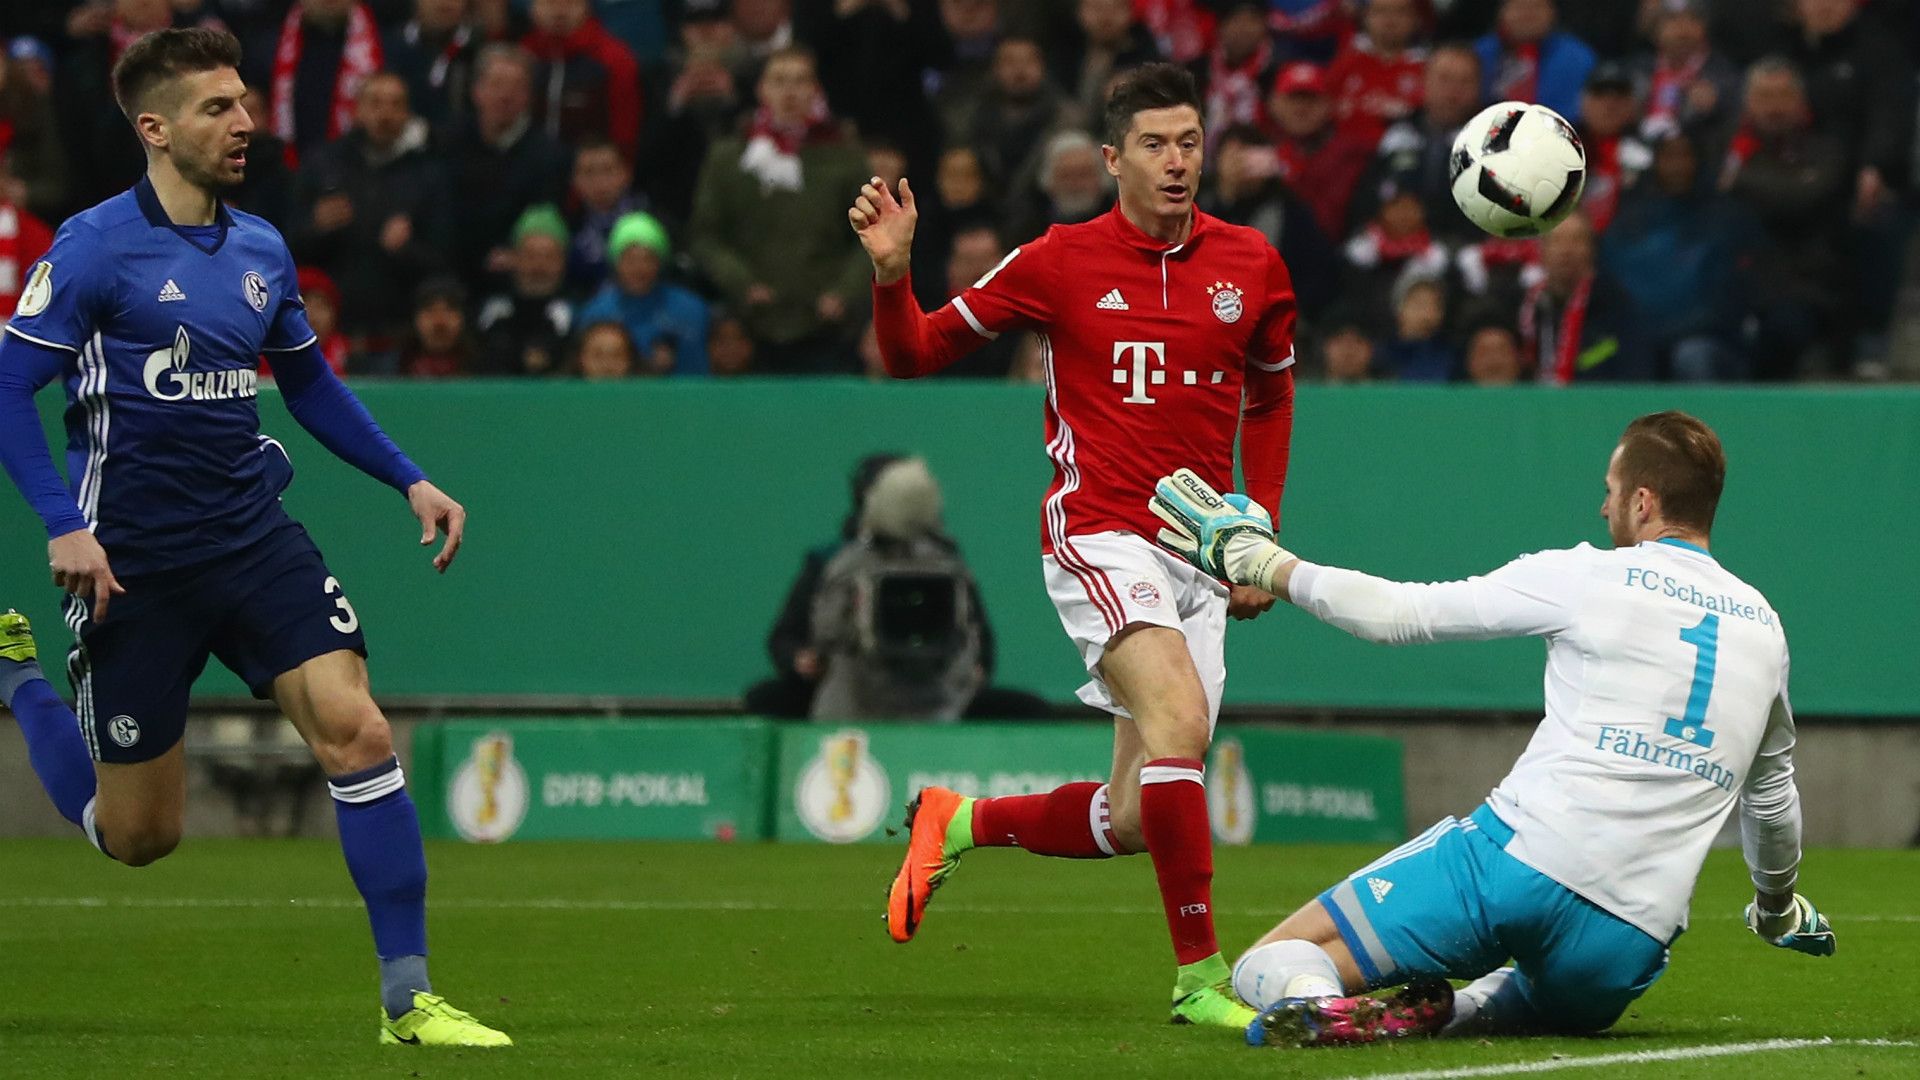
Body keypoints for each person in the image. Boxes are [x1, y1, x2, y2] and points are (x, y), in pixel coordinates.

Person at [0, 29, 506, 1046]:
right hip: (131, 564)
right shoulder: (95, 247)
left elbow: (308, 385)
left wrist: (409, 478)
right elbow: (9, 387)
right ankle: (18, 684)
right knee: (141, 837)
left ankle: (408, 1000)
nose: (245, 123)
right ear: (154, 128)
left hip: (250, 536)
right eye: (216, 108)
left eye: (243, 101)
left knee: (358, 729)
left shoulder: (263, 248)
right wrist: (65, 527)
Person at [1147, 411, 1831, 1046]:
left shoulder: (1588, 574)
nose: (1603, 507)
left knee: (1270, 962)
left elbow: (1399, 615)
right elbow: (1771, 801)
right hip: (1627, 936)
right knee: (1524, 1002)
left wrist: (1264, 564)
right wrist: (1776, 910)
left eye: (1611, 490)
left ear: (1643, 502)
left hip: (1517, 864)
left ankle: (1322, 1006)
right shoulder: (1764, 628)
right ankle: (1452, 1011)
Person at [850, 62, 1298, 1028]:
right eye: (1154, 144)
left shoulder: (1252, 265)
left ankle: (958, 821)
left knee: (1139, 814)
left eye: (1189, 142)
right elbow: (914, 353)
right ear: (1111, 158)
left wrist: (1255, 525)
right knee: (1181, 726)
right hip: (1099, 533)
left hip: (1202, 553)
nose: (1176, 162)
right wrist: (893, 275)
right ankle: (1201, 982)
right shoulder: (1056, 260)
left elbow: (1270, 397)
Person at [690, 45, 868, 372]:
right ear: (762, 89)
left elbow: (872, 236)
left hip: (825, 324)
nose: (790, 91)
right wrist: (741, 283)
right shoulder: (729, 158)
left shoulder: (844, 156)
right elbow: (705, 235)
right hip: (749, 324)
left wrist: (843, 293)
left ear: (815, 90)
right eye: (780, 80)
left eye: (800, 81)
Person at [809, 457, 987, 722]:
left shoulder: (848, 564)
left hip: (915, 705)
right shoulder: (948, 565)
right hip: (870, 705)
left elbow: (825, 631)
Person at [576, 211, 709, 376]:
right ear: (616, 263)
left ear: (660, 262)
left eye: (648, 259)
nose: (639, 269)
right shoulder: (595, 313)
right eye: (630, 260)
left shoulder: (692, 309)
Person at [475, 204, 576, 376]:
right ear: (514, 258)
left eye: (549, 257)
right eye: (530, 256)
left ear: (563, 261)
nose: (539, 266)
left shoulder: (579, 311)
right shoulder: (492, 311)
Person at [1474, 0, 1595, 123]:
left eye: (1536, 7)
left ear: (1552, 12)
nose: (1528, 14)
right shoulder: (1478, 54)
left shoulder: (1578, 58)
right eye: (1519, 6)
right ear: (1502, 11)